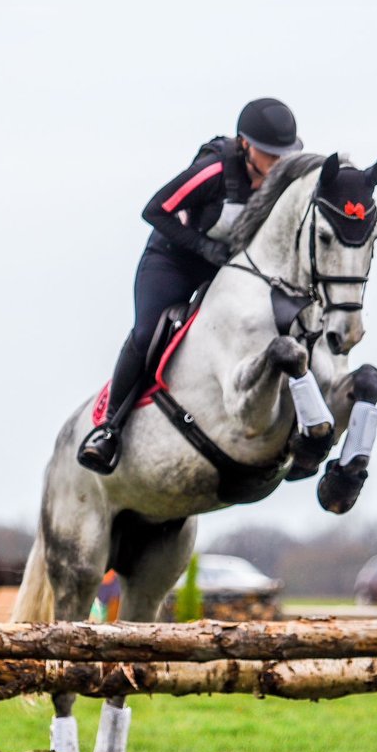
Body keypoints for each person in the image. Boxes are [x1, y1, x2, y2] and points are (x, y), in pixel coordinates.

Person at [77, 98, 303, 474]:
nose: (276, 163)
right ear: (244, 145)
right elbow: (154, 209)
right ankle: (109, 428)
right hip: (173, 261)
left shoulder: (282, 183)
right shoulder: (213, 171)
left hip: (227, 269)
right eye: (269, 154)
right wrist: (202, 247)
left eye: (283, 155)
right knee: (149, 331)